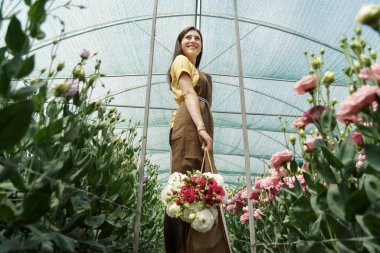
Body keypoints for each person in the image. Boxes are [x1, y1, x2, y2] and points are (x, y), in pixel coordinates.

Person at [164, 26, 231, 253]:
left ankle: (200, 246)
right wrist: (201, 128)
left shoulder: (194, 69)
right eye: (188, 37)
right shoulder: (181, 61)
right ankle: (179, 247)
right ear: (180, 43)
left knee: (202, 181)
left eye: (198, 38)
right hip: (189, 124)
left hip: (199, 120)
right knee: (184, 183)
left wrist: (203, 125)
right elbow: (189, 94)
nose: (193, 41)